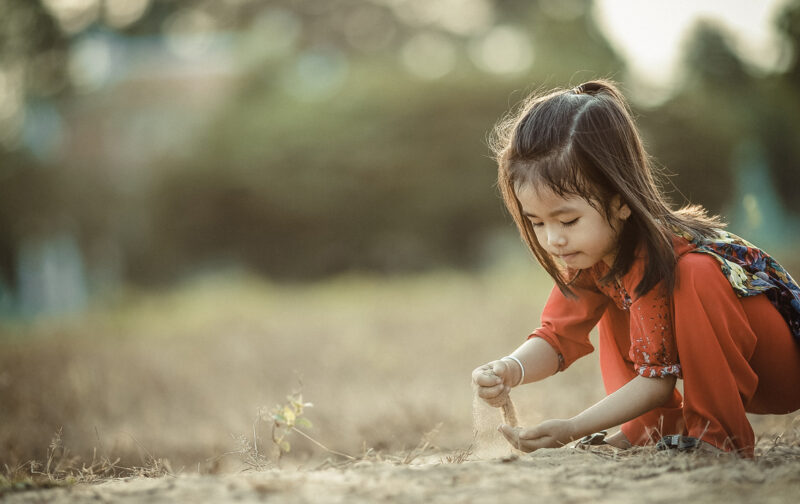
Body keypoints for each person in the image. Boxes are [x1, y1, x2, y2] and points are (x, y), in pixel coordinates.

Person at [471, 79, 800, 458]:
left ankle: (717, 438)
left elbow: (655, 384)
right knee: (615, 295)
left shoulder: (663, 254)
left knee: (695, 273)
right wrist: (510, 368)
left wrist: (573, 427)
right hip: (730, 372)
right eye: (537, 223)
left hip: (779, 369)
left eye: (567, 220)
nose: (553, 240)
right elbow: (555, 337)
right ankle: (653, 429)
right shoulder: (590, 257)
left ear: (620, 202)